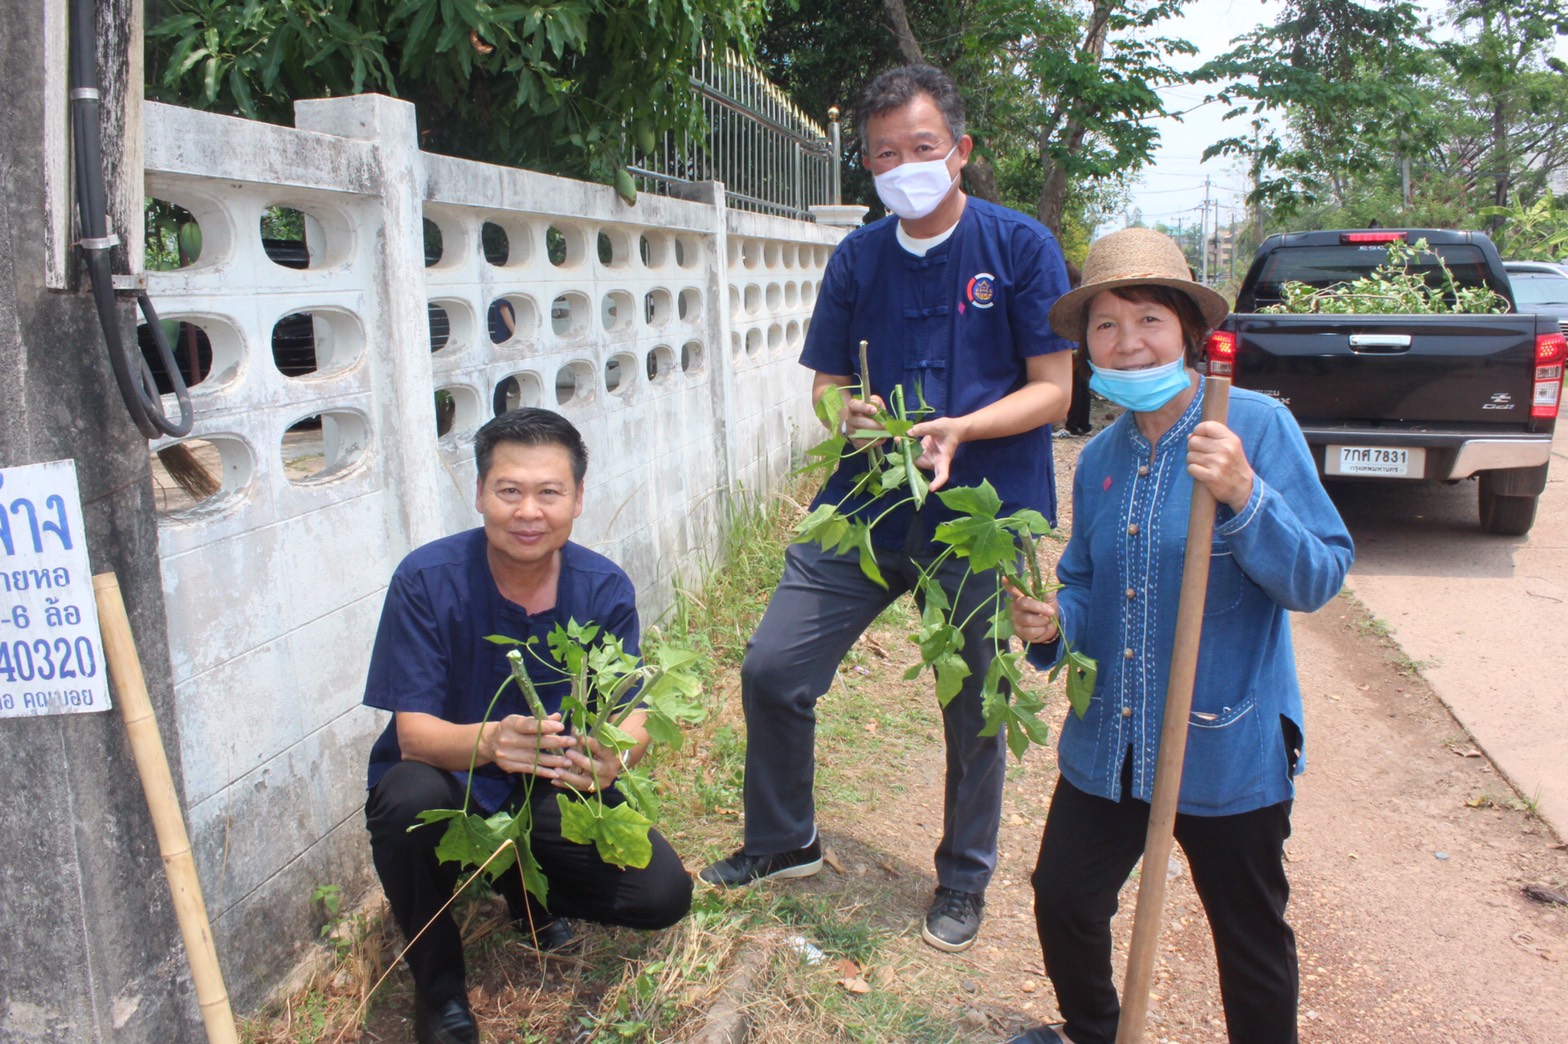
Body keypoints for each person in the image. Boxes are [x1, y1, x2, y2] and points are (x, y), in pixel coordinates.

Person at [698, 64, 1075, 956]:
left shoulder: (1019, 248)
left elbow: (1054, 392)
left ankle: (964, 878)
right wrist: (849, 414)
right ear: (865, 167)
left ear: (960, 152)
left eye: (922, 148)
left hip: (984, 507)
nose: (904, 166)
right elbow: (827, 388)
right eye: (883, 155)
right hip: (865, 502)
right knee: (772, 666)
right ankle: (783, 840)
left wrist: (961, 428)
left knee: (976, 698)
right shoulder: (858, 257)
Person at [1004, 227, 1354, 1044]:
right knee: (1064, 896)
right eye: (1105, 326)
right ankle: (1095, 1031)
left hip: (1222, 736)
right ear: (1086, 345)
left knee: (1250, 935)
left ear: (1189, 332)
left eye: (1148, 320)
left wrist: (1244, 494)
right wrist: (1055, 624)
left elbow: (1319, 576)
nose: (1128, 344)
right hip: (1114, 735)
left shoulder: (1253, 427)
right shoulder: (1098, 458)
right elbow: (1085, 585)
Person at [362, 408, 692, 1044]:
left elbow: (631, 706)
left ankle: (522, 883)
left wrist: (619, 755)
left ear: (578, 498)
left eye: (549, 492)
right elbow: (415, 737)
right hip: (450, 778)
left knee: (661, 896)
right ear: (480, 492)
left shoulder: (603, 588)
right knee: (407, 800)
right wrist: (491, 742)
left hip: (552, 785)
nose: (528, 512)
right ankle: (441, 993)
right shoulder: (427, 580)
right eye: (509, 491)